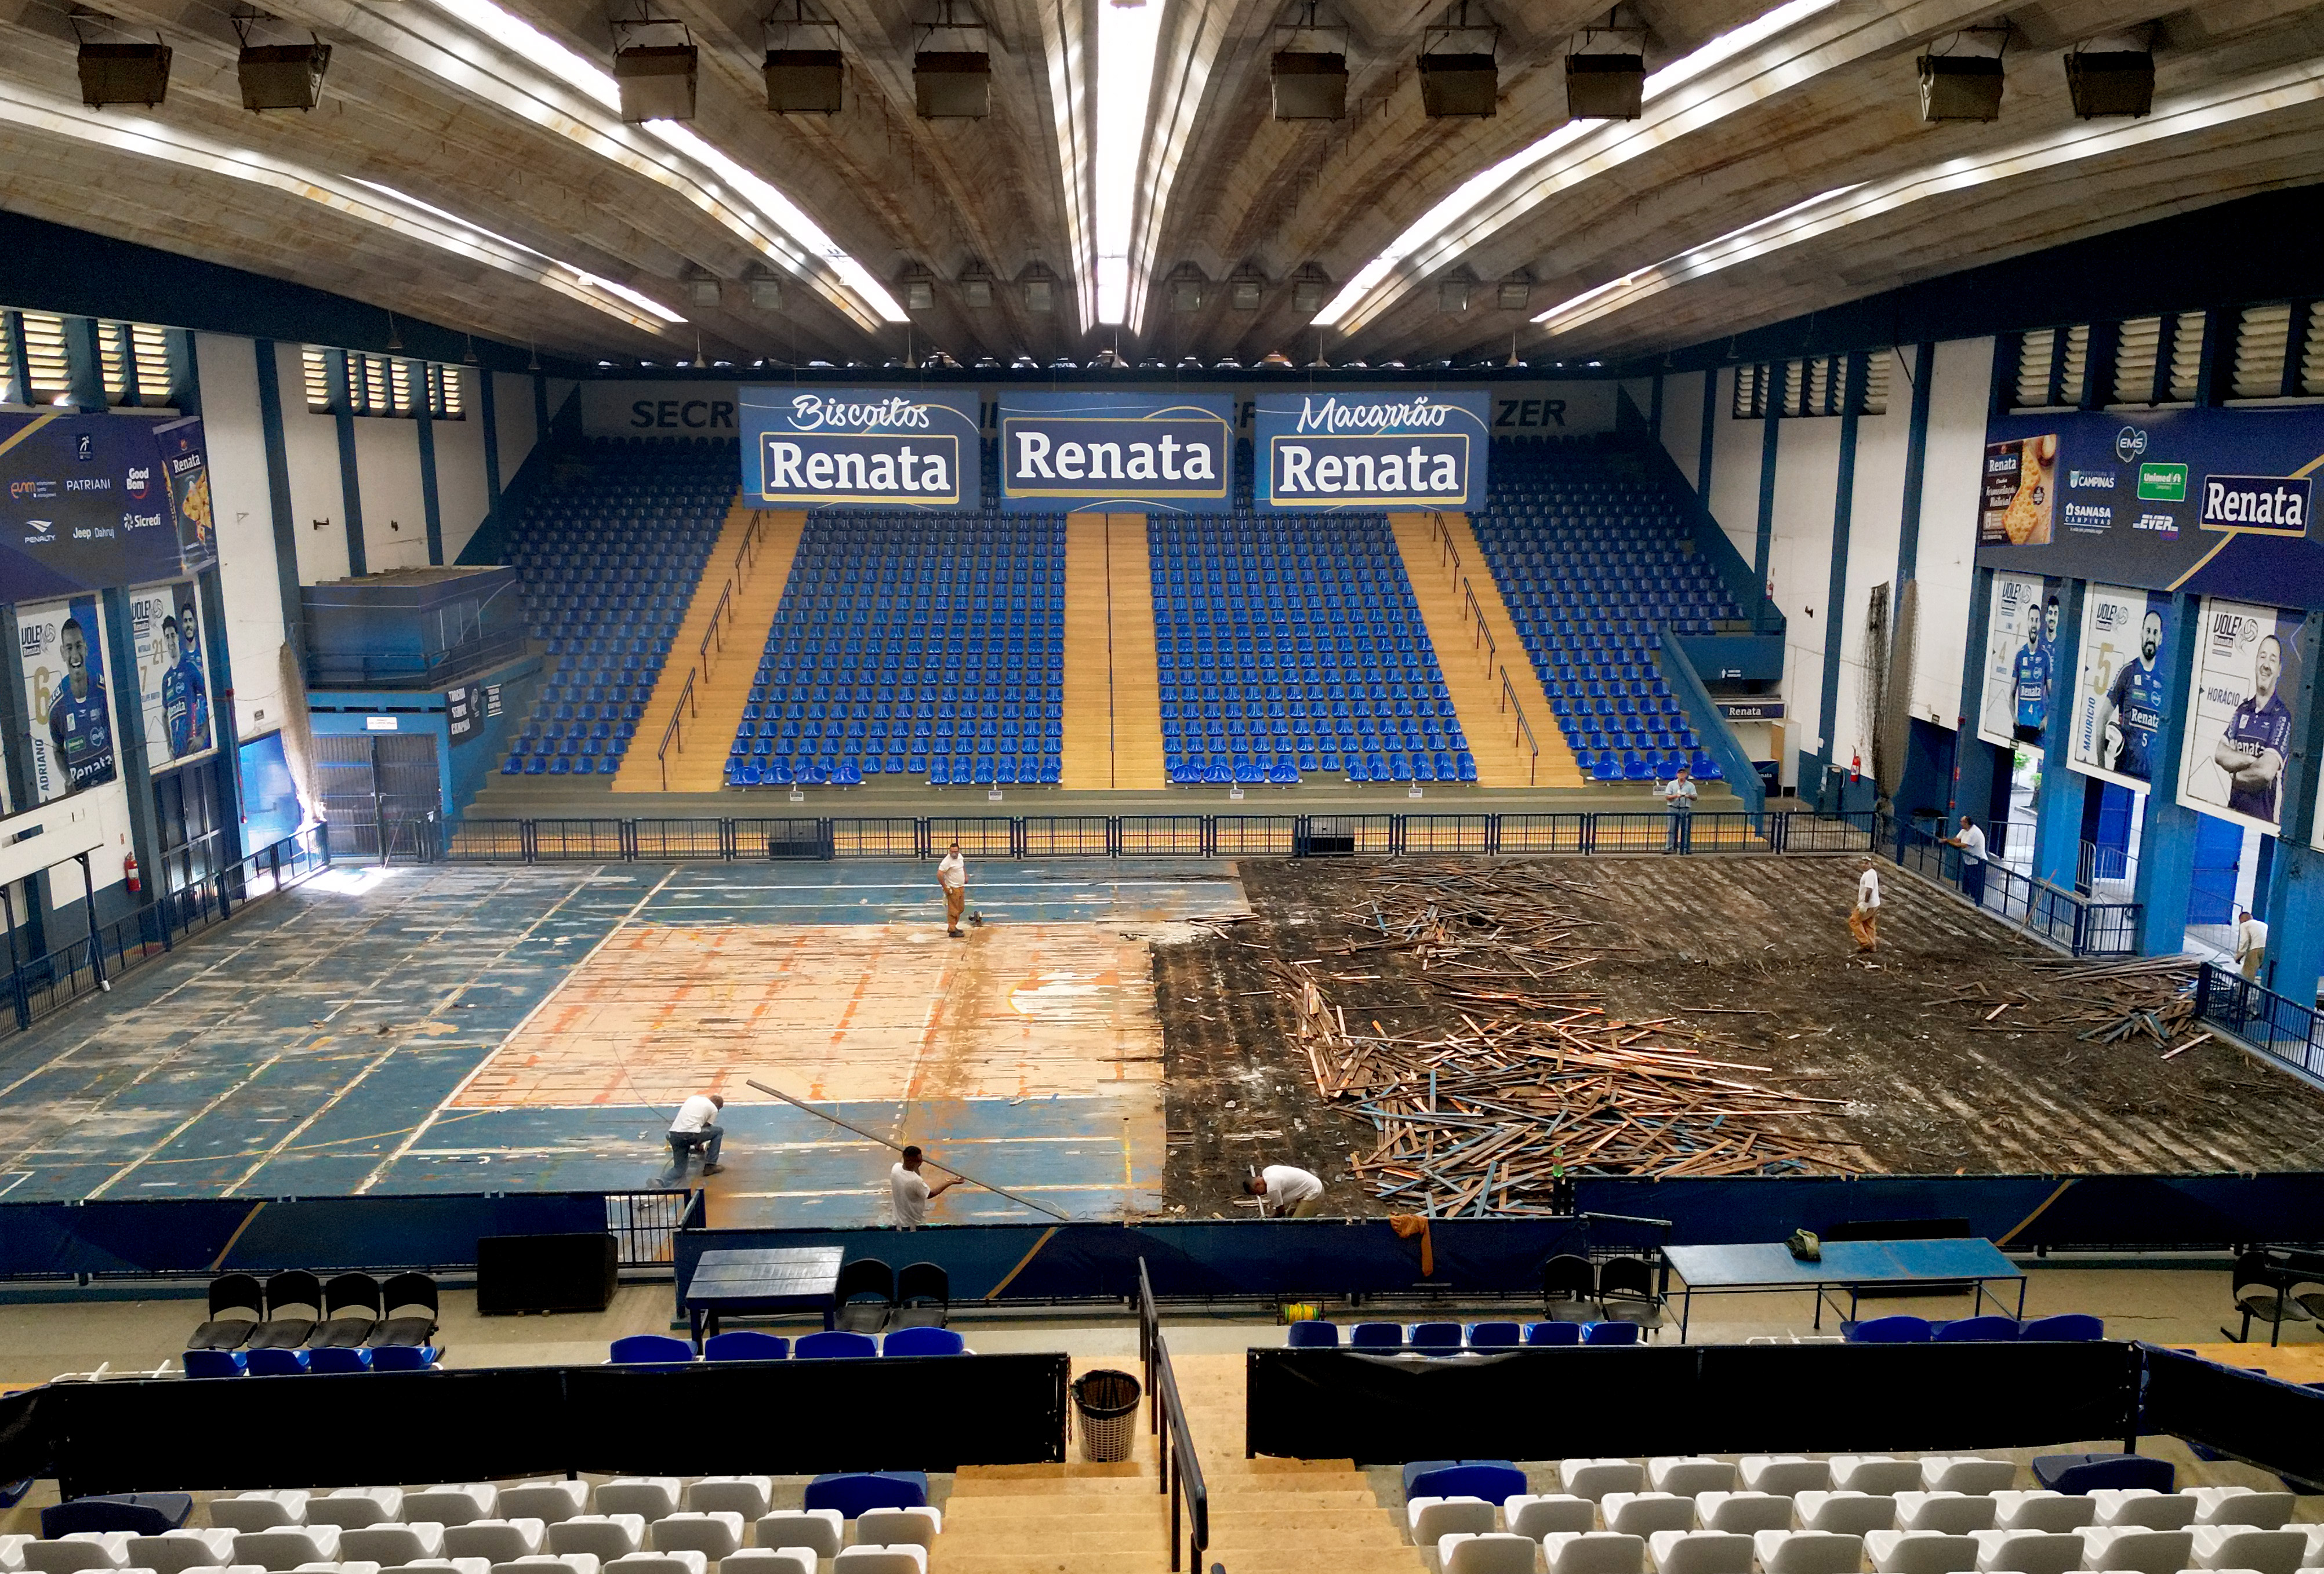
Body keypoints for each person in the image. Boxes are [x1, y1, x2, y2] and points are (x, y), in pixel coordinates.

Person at [2216, 634, 2292, 825]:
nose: (2266, 664)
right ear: (2256, 661)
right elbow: (2220, 754)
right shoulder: (2242, 711)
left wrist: (2235, 775)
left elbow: (2266, 772)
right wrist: (2252, 760)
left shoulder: (2281, 716)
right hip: (2231, 813)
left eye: (2273, 659)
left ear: (2279, 670)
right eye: (2262, 656)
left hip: (2262, 824)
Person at [48, 615, 117, 793]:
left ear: (86, 648)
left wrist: (118, 768)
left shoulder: (105, 690)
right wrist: (68, 778)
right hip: (81, 793)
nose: (75, 655)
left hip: (110, 783)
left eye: (78, 646)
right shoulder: (56, 706)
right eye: (69, 648)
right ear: (63, 653)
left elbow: (120, 735)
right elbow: (57, 749)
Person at [2095, 608, 2165, 783]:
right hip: (2123, 772)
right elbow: (2102, 719)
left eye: (2155, 633)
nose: (2151, 637)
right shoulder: (2128, 672)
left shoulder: (2165, 681)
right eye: (2148, 631)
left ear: (2161, 638)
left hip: (2152, 780)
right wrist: (2102, 770)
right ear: (2142, 633)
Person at [163, 601, 212, 758]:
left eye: (191, 620)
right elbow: (164, 713)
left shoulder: (205, 655)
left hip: (204, 737)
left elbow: (211, 697)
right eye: (185, 621)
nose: (189, 625)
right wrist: (169, 745)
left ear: (196, 623)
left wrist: (203, 735)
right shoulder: (180, 663)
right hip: (185, 744)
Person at [2011, 601, 2056, 746]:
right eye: (2032, 620)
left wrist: (2047, 718)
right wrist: (2013, 717)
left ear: (2040, 624)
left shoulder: (2045, 656)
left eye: (2037, 620)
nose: (2034, 624)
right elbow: (2011, 692)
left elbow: (2052, 694)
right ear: (2027, 623)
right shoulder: (2020, 655)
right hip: (2021, 727)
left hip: (2038, 728)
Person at [890, 1144, 960, 1227]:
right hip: (912, 1222)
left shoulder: (896, 1168)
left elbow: (914, 1174)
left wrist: (916, 1166)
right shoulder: (915, 1181)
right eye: (919, 1160)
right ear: (910, 1161)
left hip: (897, 1219)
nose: (922, 1161)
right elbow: (930, 1194)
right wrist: (950, 1182)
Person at [666, 1092, 725, 1180]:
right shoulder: (714, 1109)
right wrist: (698, 1144)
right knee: (718, 1131)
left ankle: (660, 1182)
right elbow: (704, 1128)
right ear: (718, 1107)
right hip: (690, 1136)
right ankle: (710, 1166)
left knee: (679, 1169)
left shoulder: (692, 1099)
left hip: (674, 1135)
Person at [1244, 1164, 1326, 1218]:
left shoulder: (1272, 1188)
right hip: (1306, 1187)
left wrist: (1267, 1218)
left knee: (1296, 1225)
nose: (1260, 1195)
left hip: (1313, 1192)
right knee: (1288, 1217)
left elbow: (1280, 1212)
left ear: (1258, 1184)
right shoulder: (1267, 1171)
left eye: (1258, 1192)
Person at [1944, 815, 1987, 906]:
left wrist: (1948, 841)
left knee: (1974, 881)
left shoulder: (1974, 833)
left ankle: (1976, 900)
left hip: (1978, 861)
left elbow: (1963, 845)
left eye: (1962, 822)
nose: (1960, 823)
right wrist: (1949, 841)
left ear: (1967, 823)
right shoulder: (1964, 830)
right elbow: (1956, 840)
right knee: (1967, 879)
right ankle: (1966, 896)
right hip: (1969, 860)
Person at [1656, 764, 1696, 853]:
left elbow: (1695, 797)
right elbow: (1667, 796)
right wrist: (1675, 796)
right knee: (1671, 829)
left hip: (1685, 809)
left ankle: (1685, 848)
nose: (1681, 775)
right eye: (1680, 773)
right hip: (1673, 808)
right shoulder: (1672, 784)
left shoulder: (1691, 786)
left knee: (1685, 830)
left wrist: (1689, 796)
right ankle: (1669, 848)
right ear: (1677, 775)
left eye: (1683, 773)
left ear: (1686, 774)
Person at [1849, 857, 1881, 953]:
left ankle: (1866, 943)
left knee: (1854, 921)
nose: (1864, 865)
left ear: (1871, 864)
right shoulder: (1871, 873)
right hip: (1875, 904)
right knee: (1869, 923)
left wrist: (1864, 904)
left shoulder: (1869, 875)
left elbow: (1869, 890)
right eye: (1863, 863)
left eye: (1867, 863)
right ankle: (1872, 946)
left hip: (1868, 904)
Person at [937, 840, 967, 937]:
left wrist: (965, 876)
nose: (954, 854)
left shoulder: (960, 858)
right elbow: (940, 874)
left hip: (960, 887)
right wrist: (945, 887)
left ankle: (953, 925)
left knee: (960, 908)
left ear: (959, 851)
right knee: (953, 910)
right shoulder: (947, 862)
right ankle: (952, 930)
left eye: (956, 852)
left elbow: (962, 867)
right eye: (952, 852)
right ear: (949, 852)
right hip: (953, 888)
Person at [2235, 908, 2269, 982]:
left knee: (2248, 974)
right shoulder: (2264, 925)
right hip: (2267, 950)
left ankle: (2244, 991)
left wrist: (2239, 955)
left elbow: (2244, 941)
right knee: (2266, 972)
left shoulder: (2244, 925)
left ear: (2241, 920)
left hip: (2255, 949)